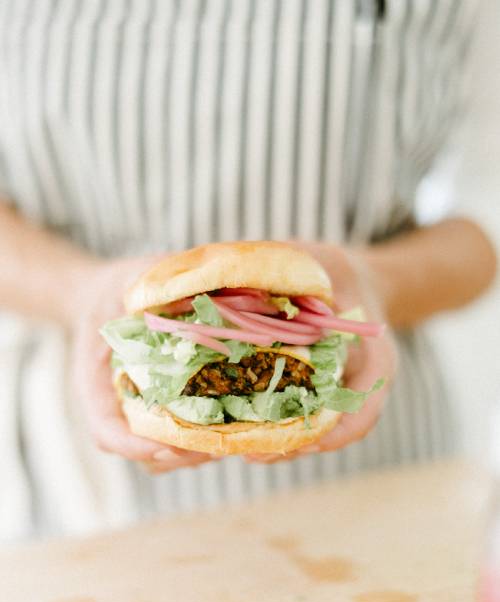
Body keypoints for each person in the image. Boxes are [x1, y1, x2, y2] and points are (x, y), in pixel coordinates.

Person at [0, 0, 496, 538]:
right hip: (89, 491)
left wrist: (376, 281)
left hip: (376, 475)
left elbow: (484, 210)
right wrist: (79, 292)